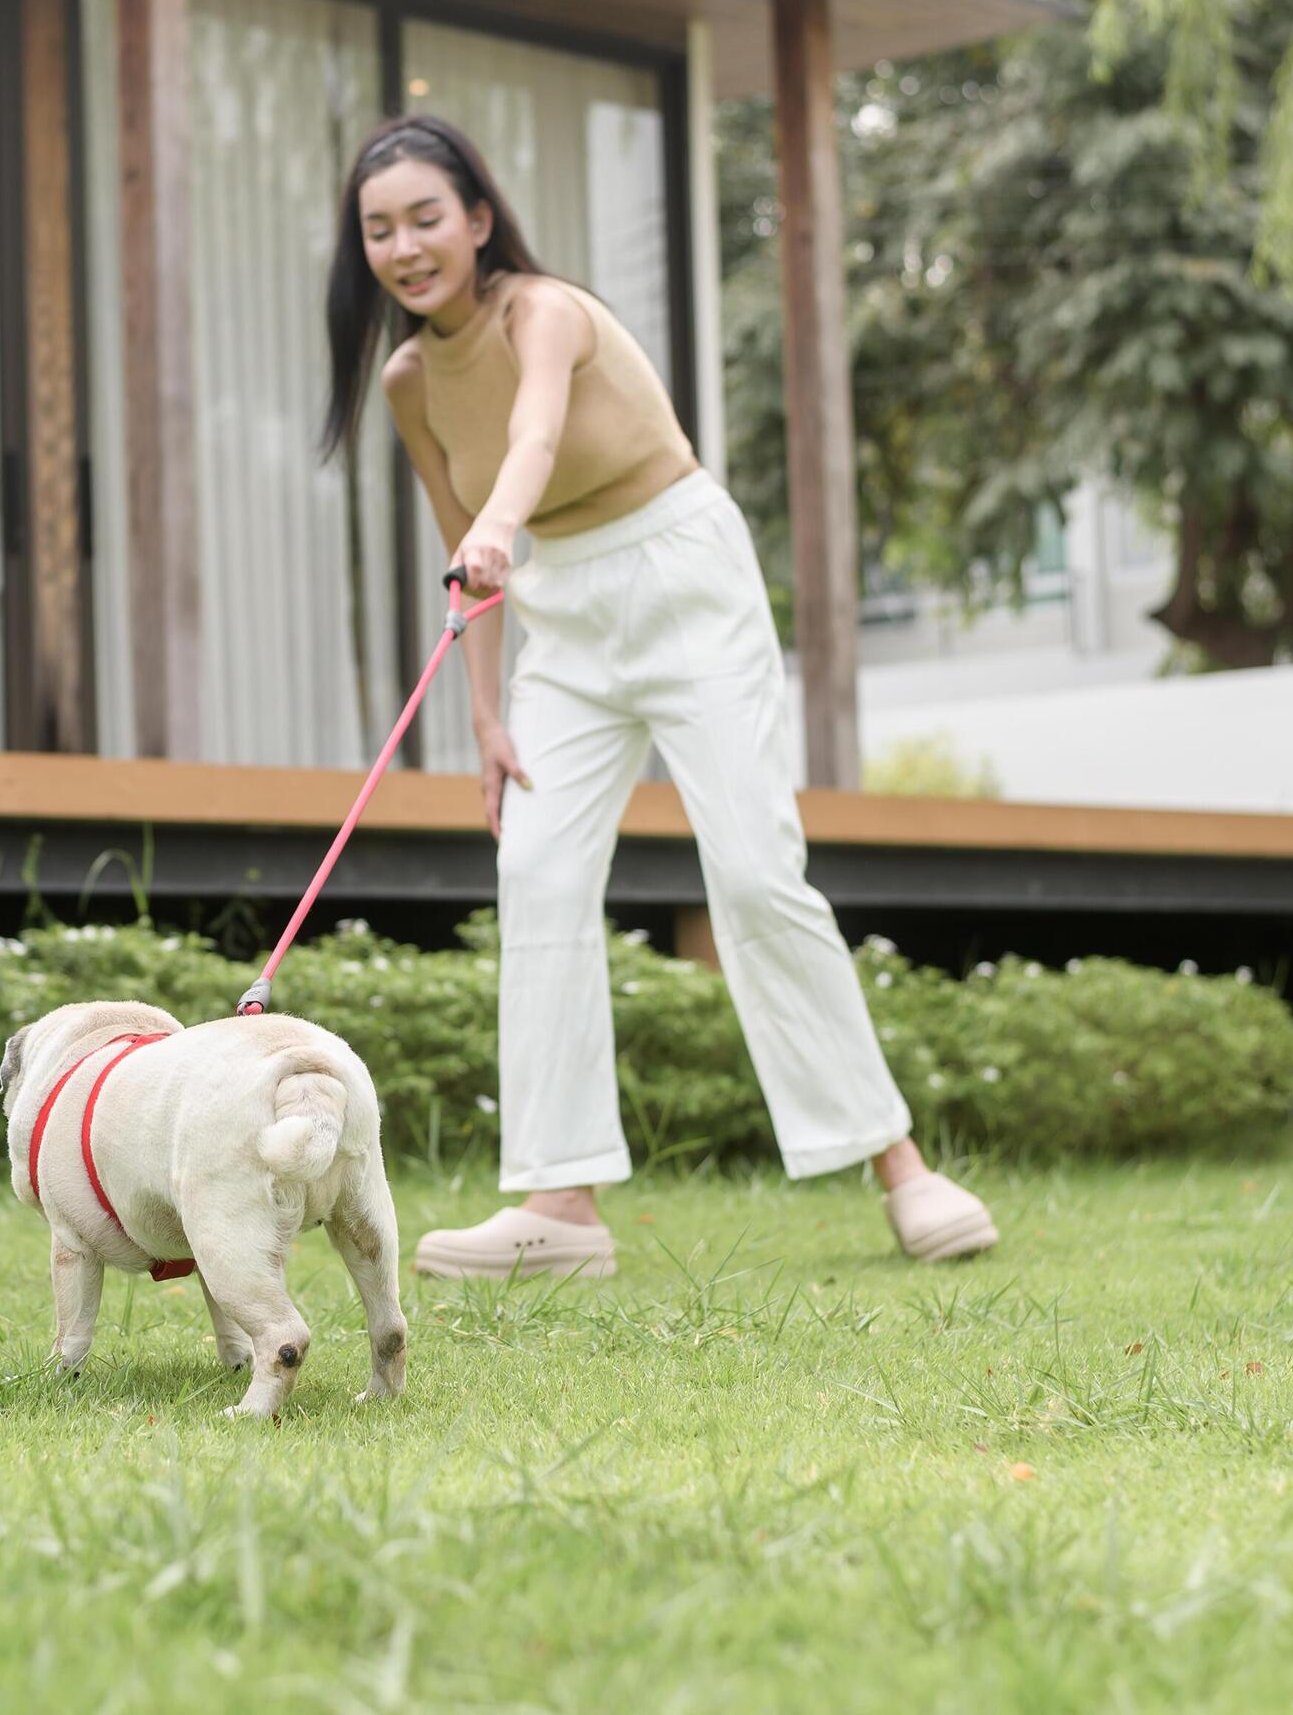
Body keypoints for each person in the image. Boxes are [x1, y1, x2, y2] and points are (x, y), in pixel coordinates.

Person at [318, 115, 999, 1276]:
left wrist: (498, 527)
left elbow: (532, 435)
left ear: (478, 221)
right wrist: (485, 716)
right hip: (559, 622)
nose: (405, 246)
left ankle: (902, 1166)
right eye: (379, 230)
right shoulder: (407, 378)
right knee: (533, 872)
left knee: (748, 869)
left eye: (426, 218)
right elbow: (458, 549)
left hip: (681, 577)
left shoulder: (546, 310)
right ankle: (562, 1203)